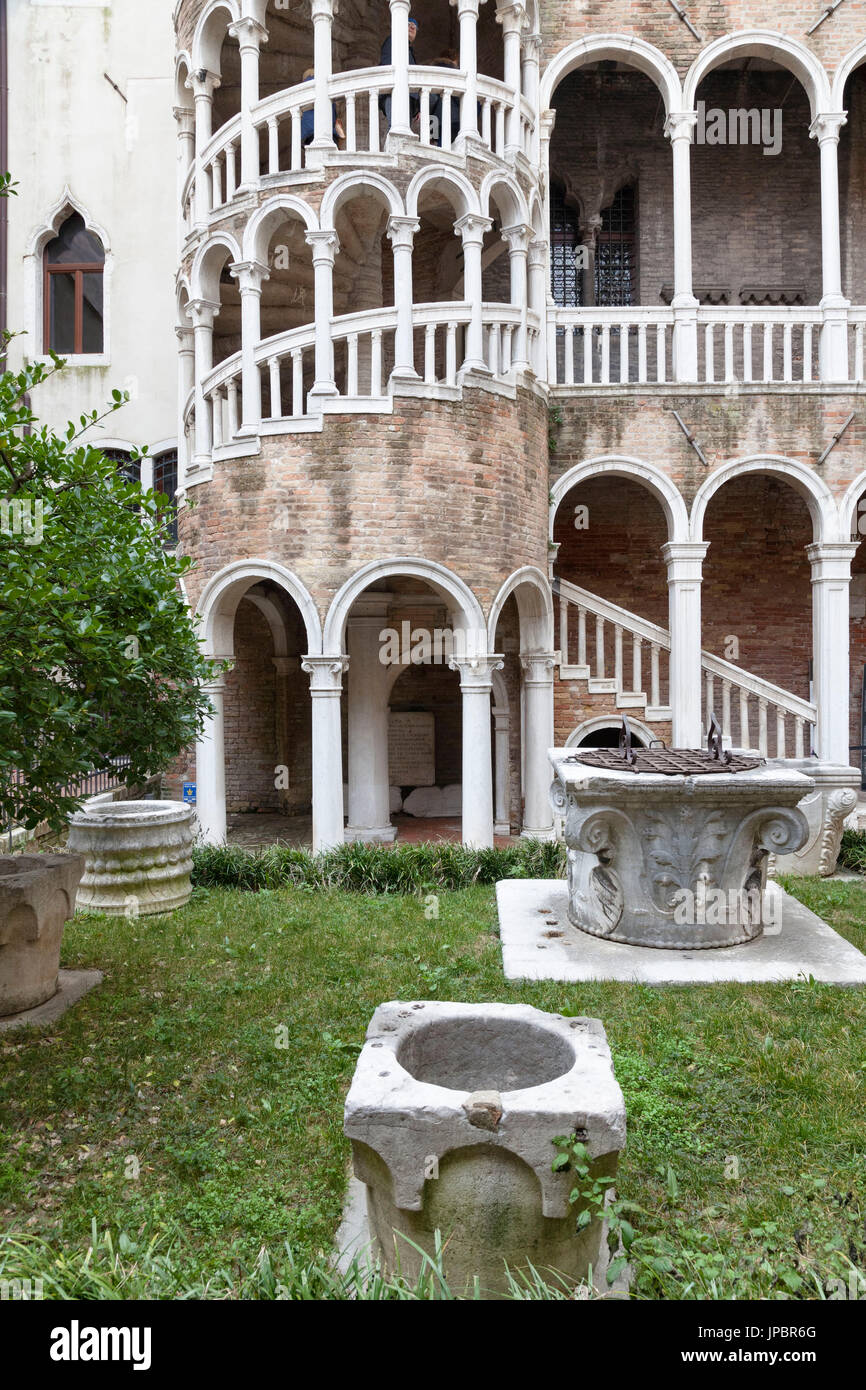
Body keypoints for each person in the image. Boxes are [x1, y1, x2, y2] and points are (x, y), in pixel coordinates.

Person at [379, 17, 419, 128]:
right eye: (409, 24)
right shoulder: (393, 40)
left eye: (415, 27)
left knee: (403, 129)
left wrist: (417, 106)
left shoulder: (409, 50)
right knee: (397, 129)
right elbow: (387, 64)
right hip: (394, 92)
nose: (412, 27)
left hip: (408, 95)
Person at [299, 67, 345, 148]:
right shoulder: (326, 85)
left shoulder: (304, 89)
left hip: (309, 132)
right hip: (328, 131)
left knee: (313, 155)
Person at [430, 51, 462, 147]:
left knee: (436, 145)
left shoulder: (433, 72)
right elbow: (458, 98)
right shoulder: (454, 73)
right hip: (452, 118)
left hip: (433, 119)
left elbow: (431, 99)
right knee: (449, 147)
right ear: (454, 60)